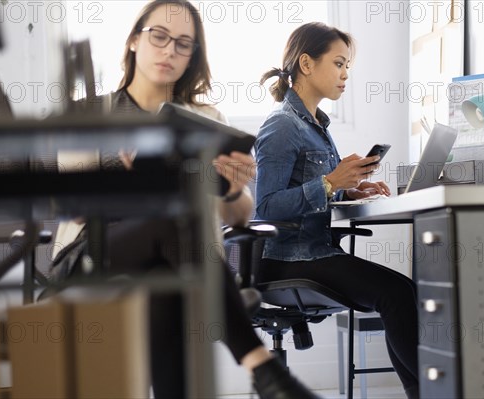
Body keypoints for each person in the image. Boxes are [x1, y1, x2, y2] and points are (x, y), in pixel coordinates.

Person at [48, 1, 319, 398]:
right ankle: (264, 369)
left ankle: (262, 373)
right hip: (94, 257)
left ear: (193, 55)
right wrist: (129, 181)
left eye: (183, 43)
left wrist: (228, 187)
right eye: (159, 36)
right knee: (172, 221)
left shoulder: (205, 119)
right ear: (135, 41)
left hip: (177, 266)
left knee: (166, 290)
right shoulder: (93, 113)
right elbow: (73, 206)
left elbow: (242, 215)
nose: (169, 50)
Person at [254, 22, 420, 399]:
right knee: (394, 293)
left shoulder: (317, 127)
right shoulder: (282, 126)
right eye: (339, 63)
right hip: (287, 259)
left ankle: (424, 390)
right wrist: (331, 182)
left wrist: (350, 189)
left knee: (403, 290)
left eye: (349, 66)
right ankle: (430, 389)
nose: (346, 74)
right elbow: (266, 207)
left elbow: (311, 191)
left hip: (313, 252)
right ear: (307, 64)